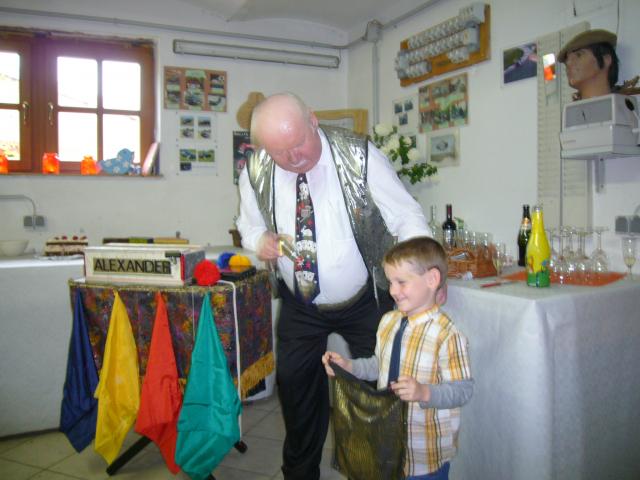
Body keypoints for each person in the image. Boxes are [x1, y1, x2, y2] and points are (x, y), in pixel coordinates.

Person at [236, 92, 431, 480]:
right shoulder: (255, 169)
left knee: (381, 389)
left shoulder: (360, 155)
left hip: (366, 298)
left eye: (298, 144)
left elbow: (406, 215)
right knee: (296, 395)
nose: (293, 158)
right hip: (300, 304)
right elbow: (248, 223)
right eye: (279, 152)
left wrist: (421, 274)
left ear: (313, 120)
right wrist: (260, 241)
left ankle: (380, 470)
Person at [322, 236, 473, 480]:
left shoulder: (447, 336)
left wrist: (425, 392)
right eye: (390, 282)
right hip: (387, 442)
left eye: (401, 282)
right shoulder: (388, 321)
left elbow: (462, 390)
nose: (392, 290)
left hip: (425, 453)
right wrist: (349, 366)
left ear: (432, 280)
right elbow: (378, 365)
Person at [558, 29, 619, 100]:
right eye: (566, 60)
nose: (568, 63)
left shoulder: (620, 105)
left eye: (579, 55)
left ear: (606, 60)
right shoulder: (572, 109)